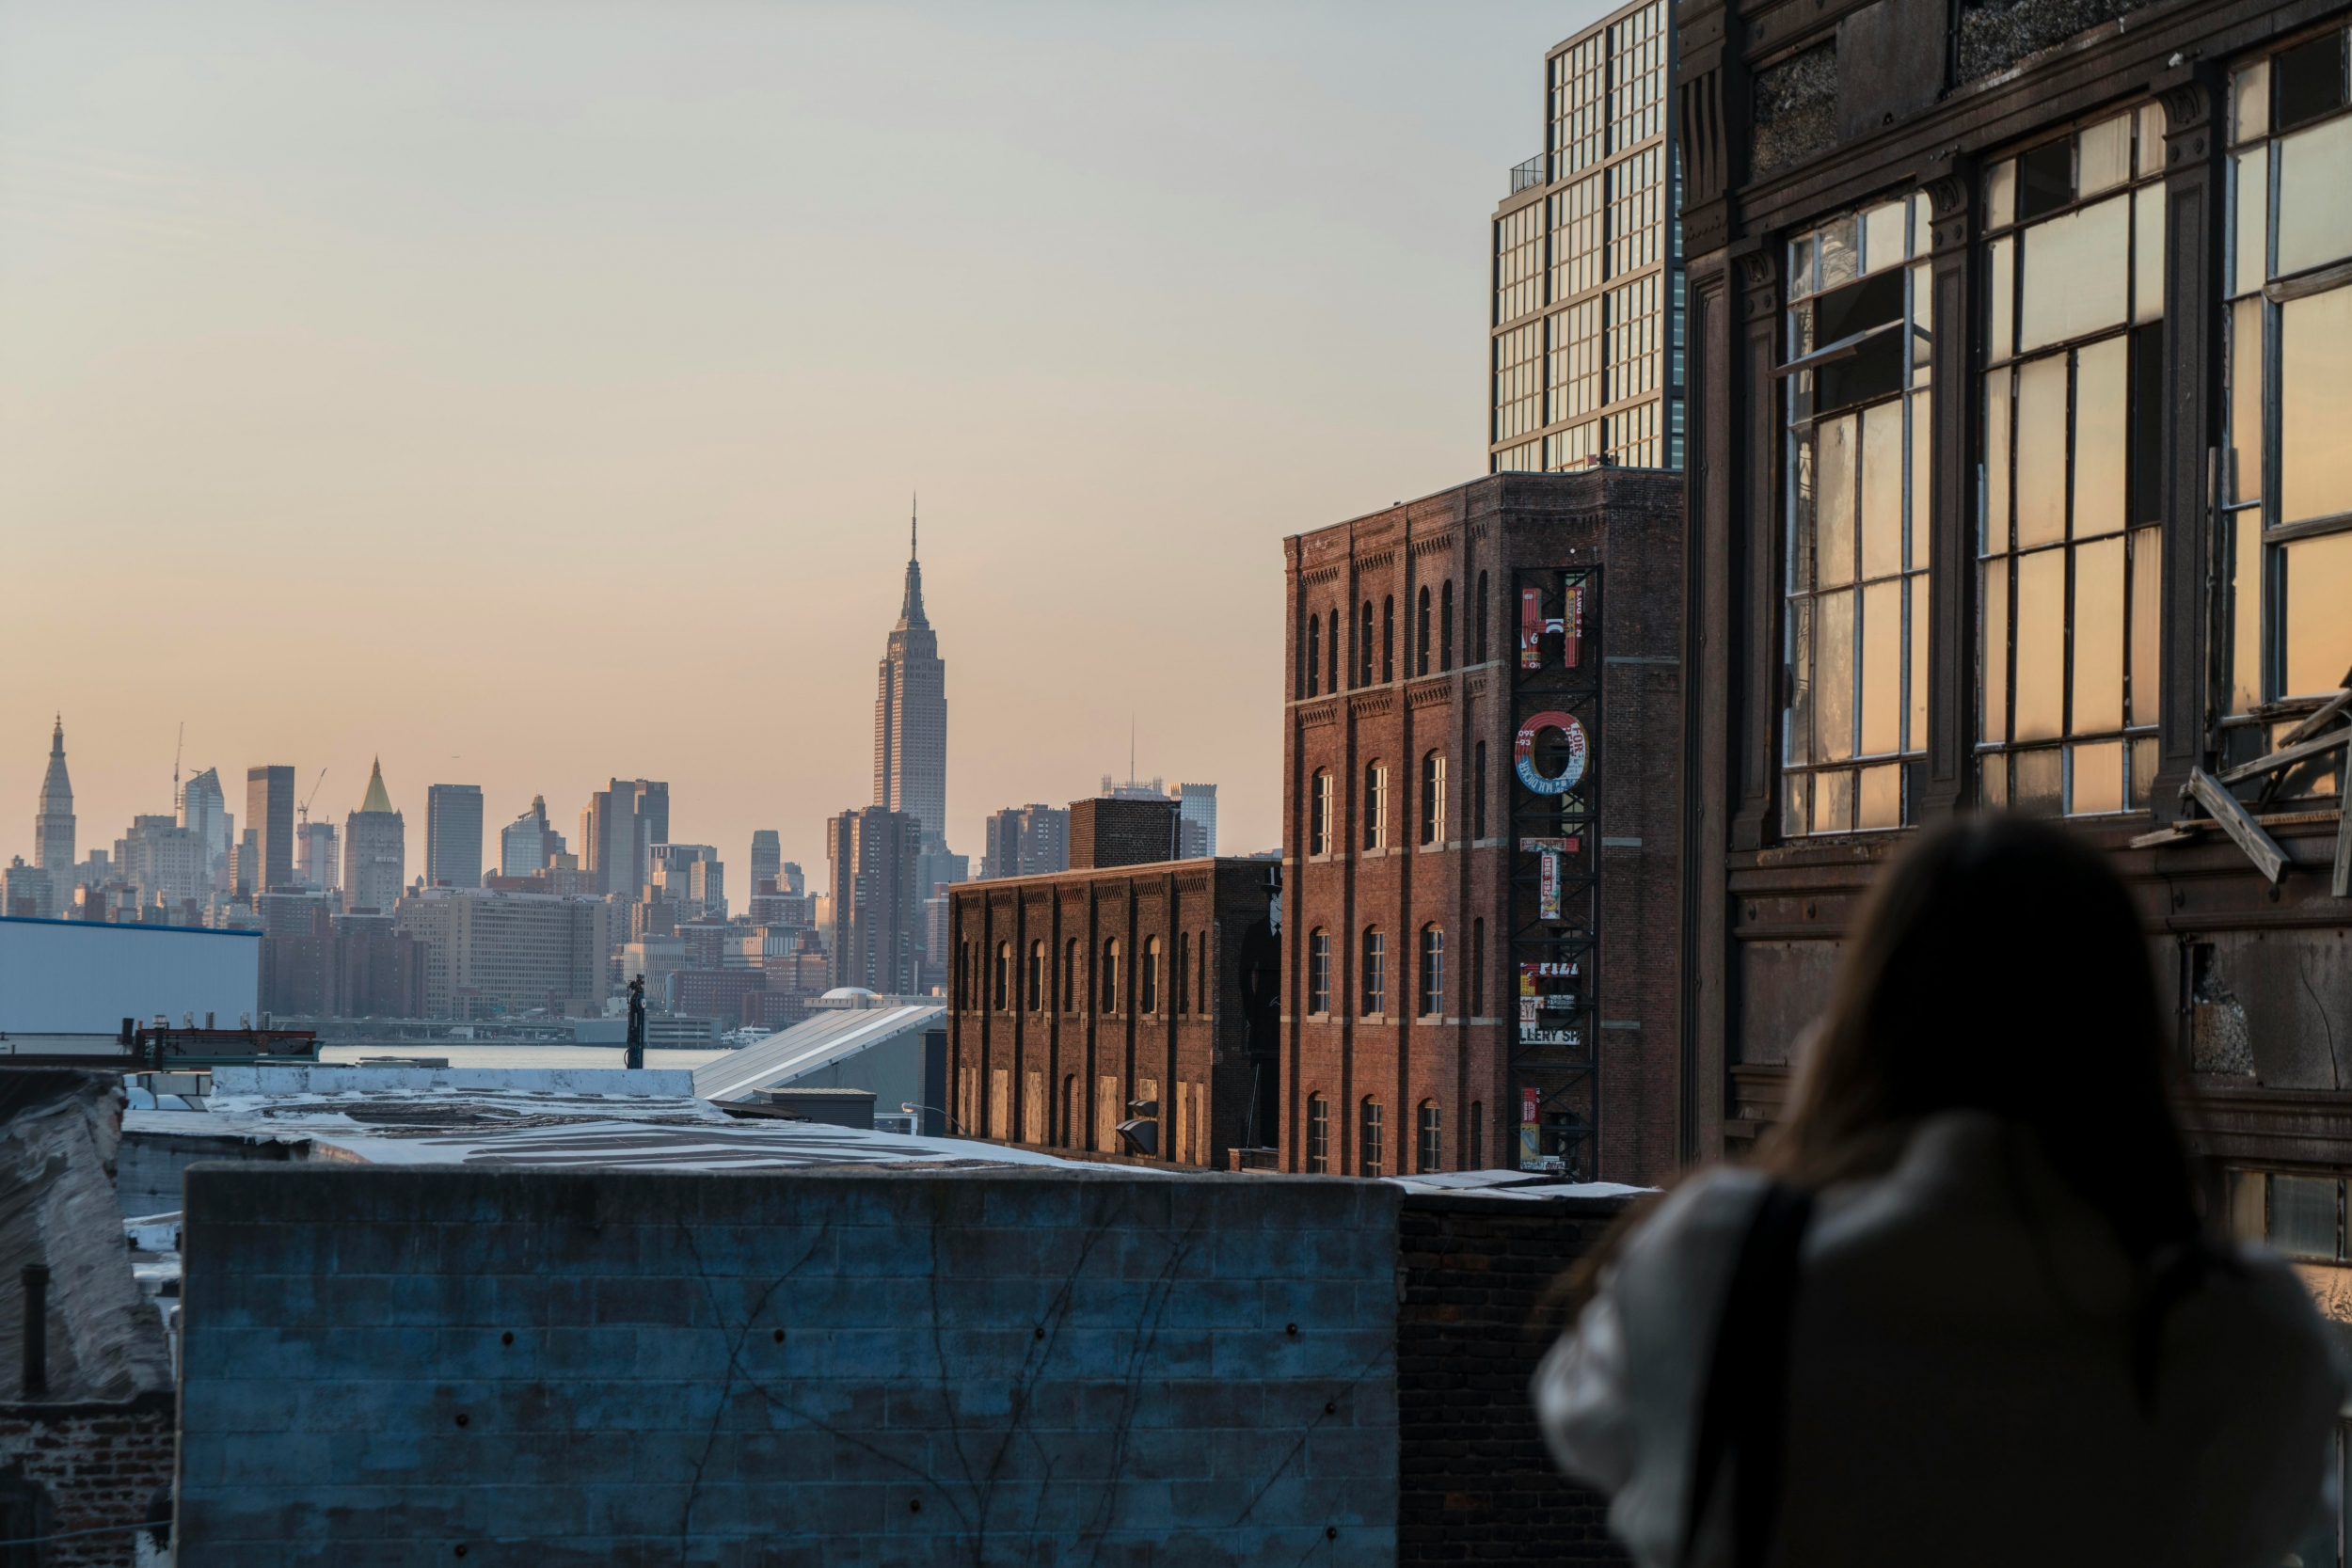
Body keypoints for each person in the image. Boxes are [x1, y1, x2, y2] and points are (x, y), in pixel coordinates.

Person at [1534, 814, 2344, 1568]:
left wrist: (1809, 1135)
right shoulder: (2248, 1332)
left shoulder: (1720, 1261)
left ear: (1865, 1021)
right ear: (2126, 1029)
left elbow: (1580, 1414)